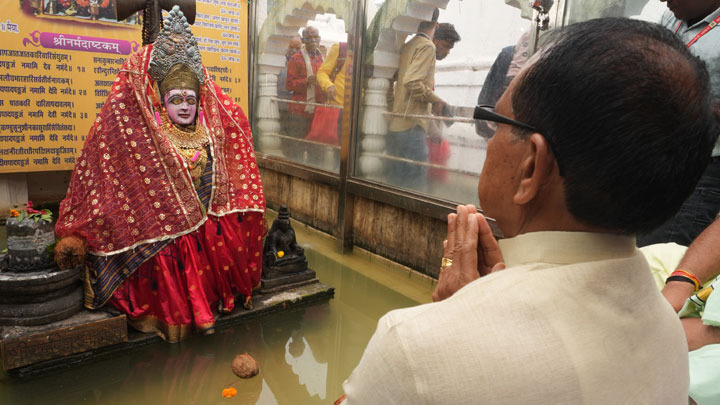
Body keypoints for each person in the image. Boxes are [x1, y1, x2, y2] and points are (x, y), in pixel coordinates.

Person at [339, 18, 718, 403]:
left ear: (531, 167)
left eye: (497, 120)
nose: (491, 140)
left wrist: (452, 323)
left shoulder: (413, 346)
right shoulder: (670, 332)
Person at [52, 7, 265, 343]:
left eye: (190, 100)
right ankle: (178, 314)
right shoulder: (141, 138)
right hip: (159, 233)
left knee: (213, 234)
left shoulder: (207, 131)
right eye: (175, 99)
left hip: (202, 226)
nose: (184, 106)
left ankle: (208, 304)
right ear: (160, 100)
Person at [637, 0, 720, 247]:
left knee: (665, 253)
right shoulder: (670, 18)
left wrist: (694, 106)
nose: (664, 0)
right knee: (640, 247)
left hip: (701, 168)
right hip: (656, 156)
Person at [386, 8, 447, 191]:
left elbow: (392, 79)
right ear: (436, 25)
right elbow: (412, 82)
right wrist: (437, 100)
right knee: (414, 186)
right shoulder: (427, 46)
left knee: (395, 182)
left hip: (397, 124)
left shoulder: (407, 45)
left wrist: (391, 105)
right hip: (412, 125)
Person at [284, 26, 325, 161]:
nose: (313, 41)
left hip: (319, 112)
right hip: (300, 112)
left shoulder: (324, 60)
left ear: (319, 39)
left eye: (315, 37)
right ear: (303, 40)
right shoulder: (295, 59)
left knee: (317, 150)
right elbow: (289, 85)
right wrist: (306, 81)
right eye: (309, 38)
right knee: (296, 150)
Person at [278, 35, 302, 135]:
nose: (294, 50)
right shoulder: (278, 61)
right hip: (280, 103)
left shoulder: (304, 62)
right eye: (291, 47)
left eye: (297, 48)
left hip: (296, 106)